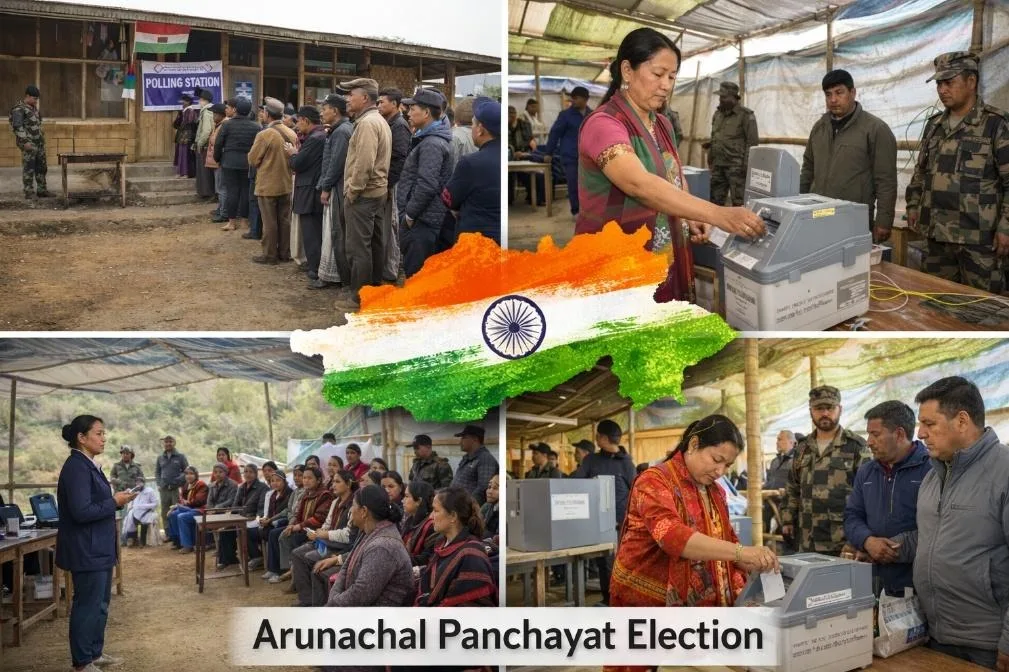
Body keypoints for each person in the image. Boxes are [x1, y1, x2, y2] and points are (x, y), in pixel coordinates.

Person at [575, 28, 764, 303]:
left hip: (665, 250)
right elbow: (638, 184)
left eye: (672, 76)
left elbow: (674, 176)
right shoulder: (604, 124)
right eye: (658, 74)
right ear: (627, 70)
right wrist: (718, 214)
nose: (666, 84)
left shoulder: (661, 123)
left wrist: (691, 215)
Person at [609, 415, 778, 618]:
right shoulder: (653, 481)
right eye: (717, 460)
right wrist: (741, 552)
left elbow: (726, 540)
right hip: (649, 601)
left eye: (727, 466)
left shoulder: (716, 492)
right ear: (694, 444)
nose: (720, 472)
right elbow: (672, 536)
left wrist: (751, 561)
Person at [900, 377, 1009, 670]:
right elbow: (930, 539)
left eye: (929, 424)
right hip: (935, 636)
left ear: (962, 421)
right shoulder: (932, 477)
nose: (920, 433)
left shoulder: (1004, 472)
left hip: (988, 645)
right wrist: (890, 546)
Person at [906, 51, 1009, 294]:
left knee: (983, 310)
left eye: (949, 82)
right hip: (937, 238)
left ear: (971, 81)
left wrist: (1006, 228)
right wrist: (912, 204)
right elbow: (921, 171)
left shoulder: (996, 124)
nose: (942, 90)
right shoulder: (934, 125)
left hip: (979, 242)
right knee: (936, 303)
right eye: (939, 83)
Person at [56, 415, 134, 672]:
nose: (104, 438)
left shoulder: (89, 465)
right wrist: (114, 502)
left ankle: (94, 652)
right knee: (87, 604)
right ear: (82, 437)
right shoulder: (76, 467)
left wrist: (114, 500)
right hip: (86, 548)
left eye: (104, 433)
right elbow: (80, 511)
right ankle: (82, 662)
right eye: (99, 433)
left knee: (100, 603)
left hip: (98, 547)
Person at [843, 400, 930, 596]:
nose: (868, 441)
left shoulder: (931, 469)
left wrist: (891, 550)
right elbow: (852, 516)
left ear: (899, 434)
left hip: (916, 585)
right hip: (873, 583)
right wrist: (867, 541)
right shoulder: (866, 472)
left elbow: (939, 527)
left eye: (875, 434)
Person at [800, 70, 897, 243]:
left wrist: (884, 220)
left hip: (853, 218)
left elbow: (886, 180)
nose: (833, 100)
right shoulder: (819, 127)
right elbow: (808, 168)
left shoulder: (875, 129)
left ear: (852, 92)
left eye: (839, 92)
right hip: (816, 214)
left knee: (851, 266)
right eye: (828, 94)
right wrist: (798, 204)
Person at [782, 386, 870, 555]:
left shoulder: (856, 446)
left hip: (843, 542)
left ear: (840, 409)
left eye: (830, 408)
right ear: (810, 411)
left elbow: (868, 495)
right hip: (807, 539)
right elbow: (793, 487)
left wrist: (860, 537)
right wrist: (787, 520)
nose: (824, 413)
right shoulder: (802, 448)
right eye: (819, 408)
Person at [339, 77, 393, 313]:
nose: (348, 98)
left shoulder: (368, 123)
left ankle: (358, 299)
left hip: (364, 194)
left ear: (365, 98)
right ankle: (374, 291)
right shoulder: (376, 120)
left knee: (358, 249)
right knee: (374, 244)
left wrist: (353, 191)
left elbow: (364, 164)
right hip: (376, 192)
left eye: (351, 94)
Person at [571, 419, 637, 605]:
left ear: (604, 438)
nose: (596, 438)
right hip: (597, 522)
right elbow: (578, 485)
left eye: (598, 435)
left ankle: (618, 600)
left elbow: (635, 493)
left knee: (619, 563)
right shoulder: (591, 460)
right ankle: (608, 599)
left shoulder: (627, 464)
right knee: (604, 563)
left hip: (620, 524)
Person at [326, 485, 414, 607]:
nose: (351, 510)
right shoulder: (368, 532)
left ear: (364, 512)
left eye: (353, 505)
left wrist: (332, 605)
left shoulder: (383, 547)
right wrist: (333, 599)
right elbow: (345, 568)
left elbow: (360, 595)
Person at [398, 87, 454, 278]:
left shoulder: (432, 143)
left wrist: (410, 215)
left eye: (414, 108)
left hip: (423, 219)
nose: (409, 112)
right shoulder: (429, 139)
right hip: (426, 217)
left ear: (427, 113)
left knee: (416, 275)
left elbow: (427, 184)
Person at [415, 486, 497, 606]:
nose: (431, 516)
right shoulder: (442, 545)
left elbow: (467, 606)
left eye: (436, 511)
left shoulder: (471, 555)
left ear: (453, 516)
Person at [291, 469, 358, 606]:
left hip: (341, 546)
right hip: (327, 542)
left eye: (337, 481)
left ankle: (317, 604)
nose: (333, 485)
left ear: (349, 484)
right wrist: (318, 533)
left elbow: (348, 535)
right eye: (333, 481)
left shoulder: (354, 504)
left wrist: (325, 534)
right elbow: (327, 524)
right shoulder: (335, 502)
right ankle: (306, 599)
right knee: (297, 554)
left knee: (309, 558)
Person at [444, 96, 501, 245]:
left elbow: (449, 199)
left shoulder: (471, 162)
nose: (472, 129)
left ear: (481, 129)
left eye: (474, 124)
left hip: (475, 241)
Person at [248, 96, 299, 264]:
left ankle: (270, 255)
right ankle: (285, 253)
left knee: (269, 222)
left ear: (267, 114)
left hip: (267, 185)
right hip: (286, 183)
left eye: (263, 112)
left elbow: (253, 159)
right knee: (284, 221)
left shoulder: (264, 134)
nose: (261, 114)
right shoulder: (291, 132)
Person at [267, 466, 333, 584]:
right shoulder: (306, 494)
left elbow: (319, 518)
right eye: (304, 478)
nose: (306, 480)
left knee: (289, 538)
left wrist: (298, 526)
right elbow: (298, 515)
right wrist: (292, 525)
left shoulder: (324, 495)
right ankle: (290, 570)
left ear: (318, 480)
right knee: (284, 535)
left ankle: (293, 572)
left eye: (309, 478)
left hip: (315, 531)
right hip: (304, 528)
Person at [316, 94, 354, 289]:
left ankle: (342, 280)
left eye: (325, 109)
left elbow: (336, 163)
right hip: (337, 186)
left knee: (337, 233)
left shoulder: (341, 132)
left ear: (335, 111)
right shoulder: (341, 129)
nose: (322, 113)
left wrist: (326, 186)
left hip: (338, 188)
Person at [286, 105, 327, 283]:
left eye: (299, 122)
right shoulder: (319, 136)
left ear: (306, 120)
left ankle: (315, 269)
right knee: (314, 232)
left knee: (312, 233)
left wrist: (293, 154)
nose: (297, 126)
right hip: (313, 190)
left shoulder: (315, 139)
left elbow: (298, 164)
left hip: (309, 191)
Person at [704, 82, 758, 207]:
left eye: (723, 97)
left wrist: (746, 166)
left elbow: (752, 143)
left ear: (733, 97)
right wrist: (711, 157)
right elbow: (714, 137)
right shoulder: (717, 114)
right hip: (718, 165)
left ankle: (739, 227)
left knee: (739, 203)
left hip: (736, 168)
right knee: (714, 201)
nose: (720, 99)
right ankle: (714, 226)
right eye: (720, 97)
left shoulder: (746, 116)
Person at [541, 86, 592, 215]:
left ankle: (588, 210)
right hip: (570, 156)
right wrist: (548, 152)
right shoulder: (565, 115)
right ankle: (576, 211)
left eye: (576, 98)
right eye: (572, 98)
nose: (573, 101)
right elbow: (555, 133)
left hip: (588, 156)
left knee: (588, 185)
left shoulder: (592, 115)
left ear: (585, 99)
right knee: (573, 184)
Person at [378, 87, 411, 284]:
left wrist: (388, 185)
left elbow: (399, 159)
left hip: (394, 183)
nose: (379, 105)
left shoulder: (399, 126)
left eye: (383, 102)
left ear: (395, 104)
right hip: (389, 182)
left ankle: (392, 270)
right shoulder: (389, 123)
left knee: (392, 226)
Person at [214, 98, 259, 232]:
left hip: (229, 162)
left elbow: (218, 144)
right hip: (248, 162)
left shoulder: (227, 125)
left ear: (236, 110)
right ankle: (245, 222)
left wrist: (218, 159)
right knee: (246, 192)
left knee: (231, 192)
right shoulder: (256, 126)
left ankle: (232, 222)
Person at [218, 463, 269, 568]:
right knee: (225, 530)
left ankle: (257, 557)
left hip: (254, 518)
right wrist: (231, 518)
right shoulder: (242, 487)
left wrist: (252, 518)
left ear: (256, 474)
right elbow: (235, 506)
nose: (248, 474)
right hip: (241, 518)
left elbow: (261, 508)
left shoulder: (262, 487)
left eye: (251, 472)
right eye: (245, 471)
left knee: (242, 528)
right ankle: (229, 559)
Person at [10, 85, 48, 200]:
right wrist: (24, 142)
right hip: (29, 144)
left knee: (41, 167)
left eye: (37, 99)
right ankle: (29, 192)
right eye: (34, 98)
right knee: (29, 167)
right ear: (27, 96)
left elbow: (38, 124)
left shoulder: (34, 109)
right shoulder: (19, 109)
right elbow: (17, 127)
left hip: (39, 143)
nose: (36, 101)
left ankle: (42, 190)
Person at [249, 470, 291, 572]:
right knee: (248, 531)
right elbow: (267, 512)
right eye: (272, 481)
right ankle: (257, 557)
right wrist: (264, 519)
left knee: (271, 533)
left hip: (281, 522)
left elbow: (286, 512)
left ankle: (275, 569)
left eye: (278, 480)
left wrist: (270, 520)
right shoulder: (271, 494)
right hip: (270, 522)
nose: (275, 483)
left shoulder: (289, 494)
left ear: (284, 481)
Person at [451, 425, 497, 505]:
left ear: (475, 439)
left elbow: (483, 488)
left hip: (468, 508)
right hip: (457, 504)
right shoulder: (468, 458)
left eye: (464, 438)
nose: (460, 442)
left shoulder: (485, 459)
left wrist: (469, 507)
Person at [165, 466, 208, 550]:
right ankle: (178, 542)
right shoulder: (186, 485)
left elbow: (199, 501)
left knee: (181, 516)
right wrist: (176, 506)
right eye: (187, 474)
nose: (189, 476)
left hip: (199, 510)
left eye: (191, 474)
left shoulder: (201, 485)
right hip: (188, 509)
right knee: (172, 514)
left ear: (196, 475)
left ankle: (187, 545)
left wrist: (184, 503)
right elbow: (182, 500)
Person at [400, 481, 439, 566]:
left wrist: (400, 559)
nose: (402, 500)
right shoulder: (409, 520)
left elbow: (427, 559)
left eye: (407, 496)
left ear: (419, 501)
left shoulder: (431, 526)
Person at [154, 435, 188, 533]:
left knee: (176, 510)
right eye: (166, 442)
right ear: (163, 444)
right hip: (164, 489)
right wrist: (159, 483)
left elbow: (186, 471)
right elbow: (157, 472)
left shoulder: (180, 456)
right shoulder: (160, 457)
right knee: (165, 511)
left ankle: (178, 534)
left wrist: (177, 480)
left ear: (174, 443)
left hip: (176, 488)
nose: (168, 444)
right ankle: (168, 533)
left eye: (170, 441)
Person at [205, 102, 229, 223]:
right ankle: (220, 209)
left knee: (221, 188)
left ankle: (223, 213)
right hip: (217, 161)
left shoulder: (223, 126)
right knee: (219, 187)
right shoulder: (219, 125)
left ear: (221, 115)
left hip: (220, 161)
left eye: (215, 113)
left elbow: (218, 144)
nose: (213, 116)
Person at [122, 475, 158, 548]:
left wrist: (143, 506)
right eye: (137, 483)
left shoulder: (149, 491)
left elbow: (155, 503)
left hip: (148, 511)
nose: (138, 484)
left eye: (140, 483)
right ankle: (132, 539)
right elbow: (131, 503)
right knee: (130, 517)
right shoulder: (134, 491)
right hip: (136, 511)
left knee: (144, 521)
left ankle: (142, 541)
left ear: (143, 483)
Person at [194, 89, 217, 199]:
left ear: (205, 100)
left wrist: (200, 143)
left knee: (204, 172)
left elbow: (206, 130)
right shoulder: (210, 110)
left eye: (200, 99)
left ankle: (207, 194)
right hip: (208, 145)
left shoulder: (207, 111)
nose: (199, 101)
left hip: (205, 146)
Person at [173, 94, 199, 178]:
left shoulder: (191, 111)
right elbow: (176, 124)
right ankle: (180, 172)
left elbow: (190, 123)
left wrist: (181, 126)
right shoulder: (183, 111)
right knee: (180, 154)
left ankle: (186, 173)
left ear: (188, 102)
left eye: (184, 101)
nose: (182, 102)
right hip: (181, 136)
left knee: (186, 155)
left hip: (188, 136)